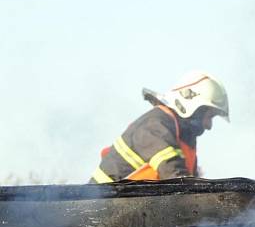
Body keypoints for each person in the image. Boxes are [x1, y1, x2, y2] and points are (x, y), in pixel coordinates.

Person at [89, 71, 229, 183]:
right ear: (193, 106)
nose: (209, 126)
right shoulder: (155, 126)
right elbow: (175, 178)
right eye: (209, 116)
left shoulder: (180, 137)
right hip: (100, 209)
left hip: (132, 210)